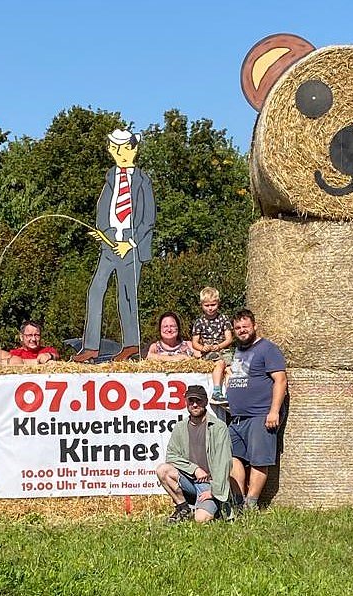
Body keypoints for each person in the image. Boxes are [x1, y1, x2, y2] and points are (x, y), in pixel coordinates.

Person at [73, 128, 156, 363]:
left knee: (127, 294)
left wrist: (129, 243)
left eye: (123, 148)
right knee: (95, 290)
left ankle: (131, 344)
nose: (118, 153)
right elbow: (104, 209)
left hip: (131, 245)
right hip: (109, 245)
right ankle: (90, 346)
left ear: (133, 149)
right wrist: (104, 233)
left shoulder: (142, 180)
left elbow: (147, 218)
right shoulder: (110, 177)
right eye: (114, 148)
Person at [226, 309, 287, 512]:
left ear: (254, 326)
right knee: (234, 457)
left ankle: (251, 504)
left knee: (259, 459)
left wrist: (274, 411)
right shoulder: (238, 351)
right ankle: (238, 501)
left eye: (245, 326)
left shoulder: (267, 349)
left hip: (260, 415)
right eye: (237, 328)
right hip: (237, 419)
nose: (242, 330)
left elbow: (280, 380)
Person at [156, 385, 233, 523]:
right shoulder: (180, 427)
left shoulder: (219, 428)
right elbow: (171, 456)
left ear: (206, 402)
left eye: (199, 401)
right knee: (163, 470)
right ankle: (184, 508)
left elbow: (224, 464)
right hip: (189, 482)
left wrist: (214, 492)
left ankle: (214, 508)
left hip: (210, 486)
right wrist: (195, 469)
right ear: (186, 402)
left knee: (200, 520)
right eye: (191, 401)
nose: (195, 404)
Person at [191, 287, 233, 405]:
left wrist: (220, 346)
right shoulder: (199, 322)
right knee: (219, 364)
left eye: (213, 305)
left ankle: (231, 395)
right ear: (202, 305)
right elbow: (195, 343)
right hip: (209, 353)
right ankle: (216, 392)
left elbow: (229, 338)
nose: (210, 308)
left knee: (230, 369)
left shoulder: (224, 319)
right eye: (207, 305)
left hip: (223, 350)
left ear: (218, 303)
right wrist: (202, 348)